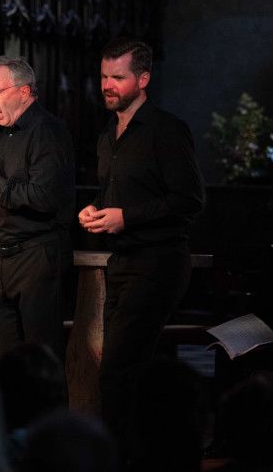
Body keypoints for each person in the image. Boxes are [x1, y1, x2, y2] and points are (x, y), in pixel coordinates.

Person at [77, 37, 205, 450]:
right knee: (120, 369)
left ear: (143, 79)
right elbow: (114, 194)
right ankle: (140, 449)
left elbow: (189, 200)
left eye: (118, 77)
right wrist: (95, 211)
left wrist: (125, 217)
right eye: (103, 76)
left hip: (160, 262)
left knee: (119, 368)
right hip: (123, 261)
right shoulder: (108, 135)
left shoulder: (166, 130)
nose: (107, 85)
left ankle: (123, 456)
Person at [0, 56, 75, 358]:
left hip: (38, 257)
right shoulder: (6, 136)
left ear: (24, 91)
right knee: (12, 363)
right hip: (9, 259)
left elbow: (44, 197)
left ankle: (50, 408)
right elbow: (9, 194)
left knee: (41, 359)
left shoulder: (47, 131)